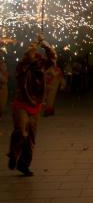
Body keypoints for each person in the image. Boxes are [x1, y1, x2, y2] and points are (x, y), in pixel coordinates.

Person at [7, 35, 56, 176]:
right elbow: (28, 55)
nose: (38, 61)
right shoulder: (22, 67)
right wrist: (34, 43)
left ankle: (24, 165)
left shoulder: (40, 66)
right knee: (21, 131)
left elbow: (52, 57)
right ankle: (13, 154)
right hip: (22, 103)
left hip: (35, 105)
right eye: (35, 57)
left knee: (31, 138)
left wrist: (44, 43)